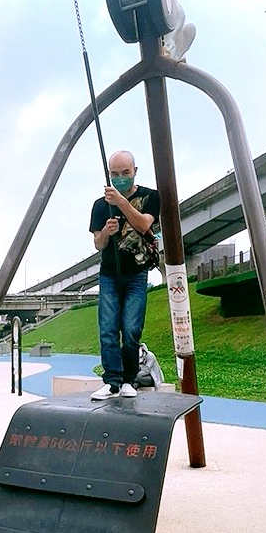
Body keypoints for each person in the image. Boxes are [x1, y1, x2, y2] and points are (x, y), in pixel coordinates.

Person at [89, 150, 160, 400]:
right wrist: (107, 233)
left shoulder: (150, 196)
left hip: (137, 275)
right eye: (114, 174)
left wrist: (120, 201)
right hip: (108, 275)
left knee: (131, 329)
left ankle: (129, 379)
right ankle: (112, 381)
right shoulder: (100, 205)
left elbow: (143, 225)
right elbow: (98, 243)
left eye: (125, 173)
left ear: (135, 172)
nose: (120, 178)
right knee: (107, 329)